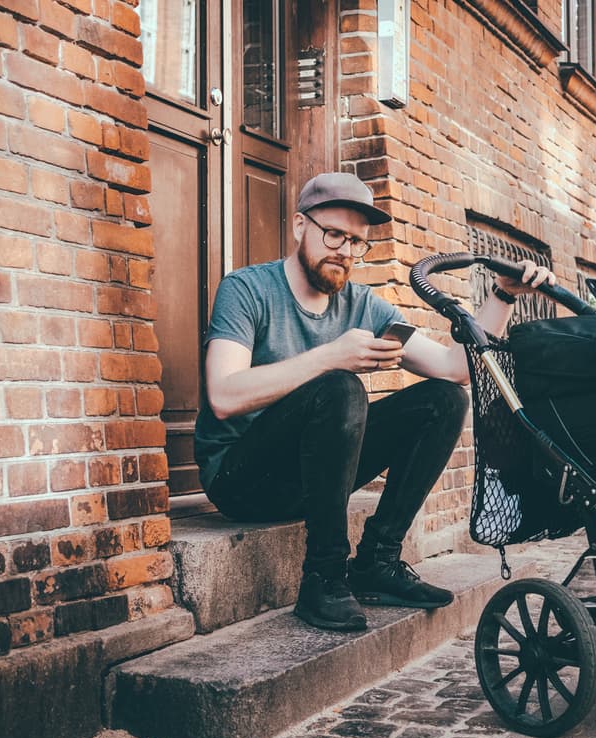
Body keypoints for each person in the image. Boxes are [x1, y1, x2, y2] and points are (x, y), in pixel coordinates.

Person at [194, 172, 555, 631]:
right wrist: (332, 356)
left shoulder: (363, 303)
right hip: (241, 479)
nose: (345, 251)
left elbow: (454, 367)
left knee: (444, 400)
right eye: (334, 235)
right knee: (341, 386)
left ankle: (376, 562)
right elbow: (224, 395)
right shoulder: (246, 290)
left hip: (312, 478)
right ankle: (323, 576)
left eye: (356, 242)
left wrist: (503, 295)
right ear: (300, 226)